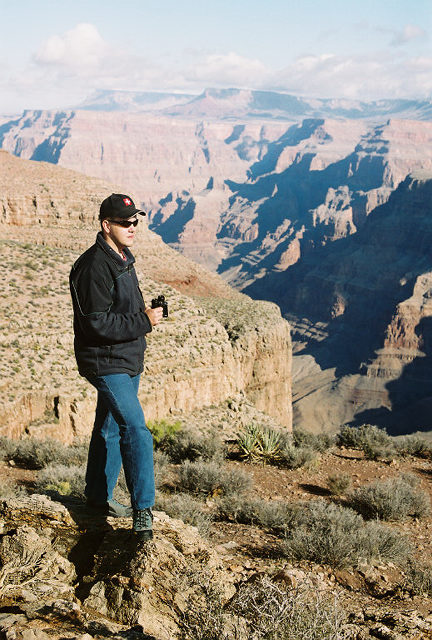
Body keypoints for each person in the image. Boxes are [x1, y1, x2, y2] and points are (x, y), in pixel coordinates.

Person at [69, 193, 163, 541]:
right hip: (106, 362)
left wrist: (145, 316)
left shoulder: (122, 257)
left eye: (135, 220)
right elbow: (96, 323)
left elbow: (118, 310)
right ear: (106, 225)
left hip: (126, 358)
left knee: (109, 427)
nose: (132, 226)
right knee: (135, 429)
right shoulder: (94, 266)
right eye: (125, 222)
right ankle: (143, 512)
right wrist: (145, 320)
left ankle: (98, 499)